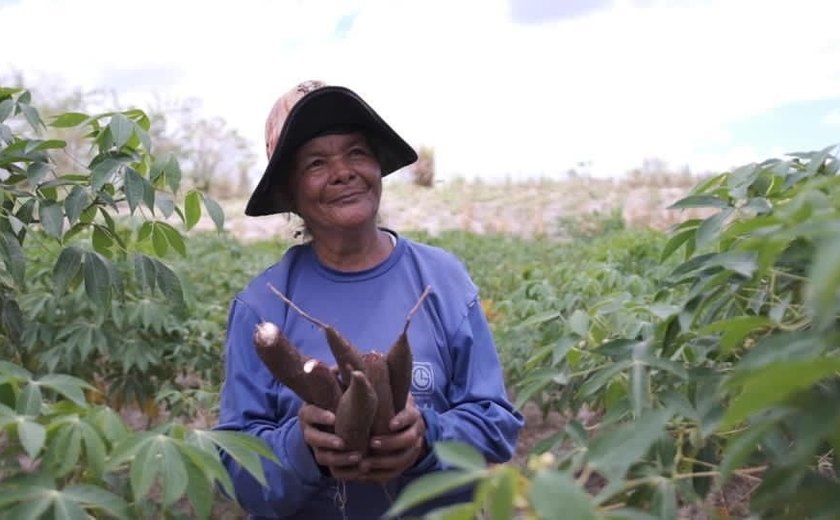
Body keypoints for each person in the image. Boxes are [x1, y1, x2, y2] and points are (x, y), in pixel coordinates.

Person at [215, 80, 523, 519]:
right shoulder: (261, 306)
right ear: (290, 193)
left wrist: (425, 438)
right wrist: (303, 448)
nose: (343, 171)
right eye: (316, 163)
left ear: (377, 166)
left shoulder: (443, 280)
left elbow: (496, 425)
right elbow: (234, 463)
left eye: (356, 153)